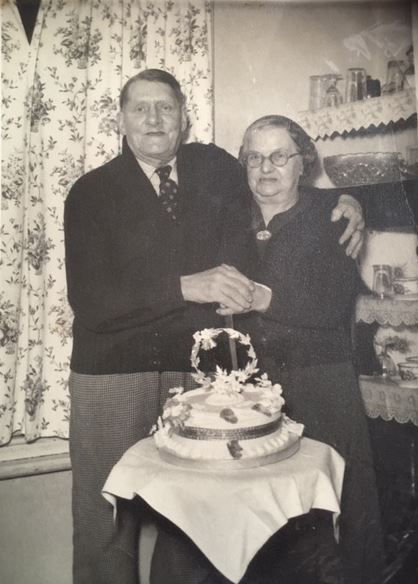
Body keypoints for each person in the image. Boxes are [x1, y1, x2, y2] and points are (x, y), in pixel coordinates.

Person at [64, 70, 365, 584]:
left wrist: (348, 203)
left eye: (166, 108)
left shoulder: (212, 167)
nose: (155, 119)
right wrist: (186, 286)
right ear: (120, 119)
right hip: (112, 376)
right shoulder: (90, 192)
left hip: (192, 373)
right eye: (141, 108)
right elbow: (91, 301)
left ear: (184, 117)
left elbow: (279, 182)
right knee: (107, 520)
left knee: (192, 522)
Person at [230, 115, 384, 584]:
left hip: (323, 381)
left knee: (344, 507)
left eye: (280, 156)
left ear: (303, 164)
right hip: (258, 387)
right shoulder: (232, 217)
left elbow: (332, 301)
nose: (266, 168)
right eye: (255, 158)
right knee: (270, 517)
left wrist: (263, 297)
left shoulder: (331, 216)